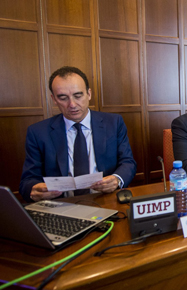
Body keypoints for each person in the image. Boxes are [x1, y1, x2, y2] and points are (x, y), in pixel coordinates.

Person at [20, 66, 137, 202]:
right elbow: (27, 181)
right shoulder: (38, 132)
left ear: (89, 94)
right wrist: (34, 189)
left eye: (78, 95)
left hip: (105, 199)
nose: (72, 104)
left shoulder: (114, 123)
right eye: (63, 98)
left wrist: (117, 179)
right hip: (61, 205)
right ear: (54, 99)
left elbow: (128, 162)